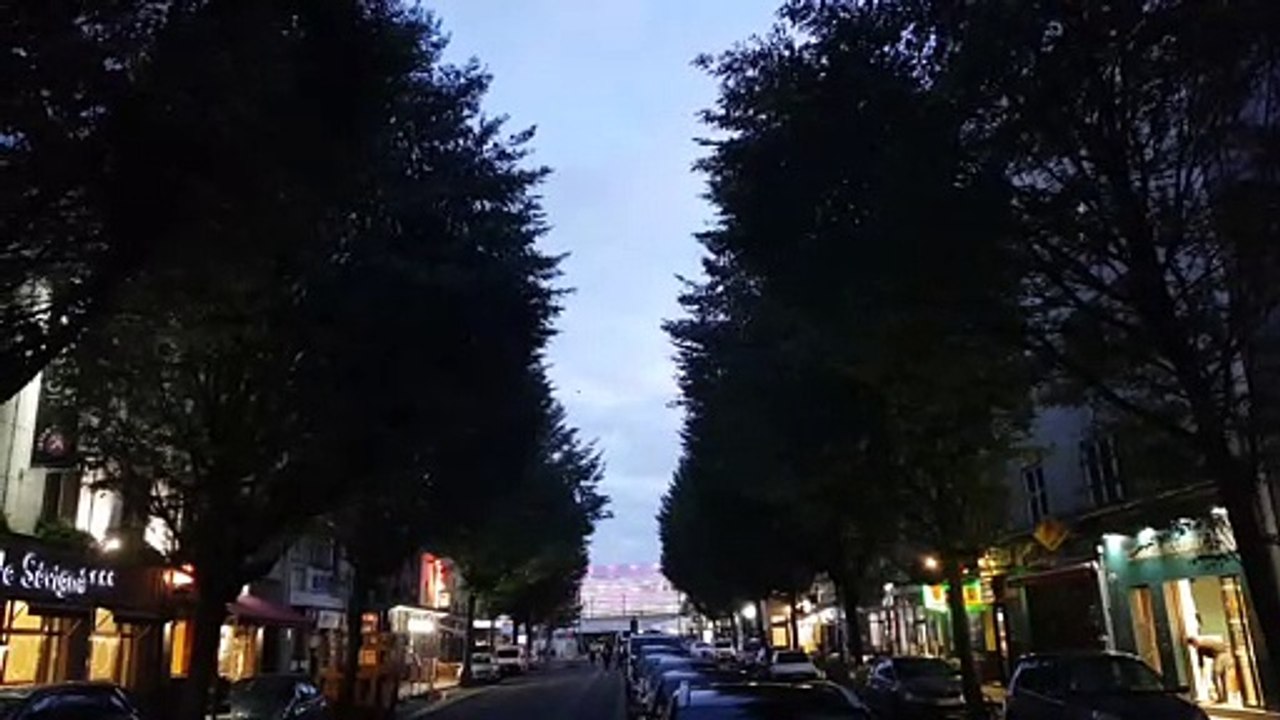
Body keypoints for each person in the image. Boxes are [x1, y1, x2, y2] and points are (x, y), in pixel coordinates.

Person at [1187, 636, 1234, 702]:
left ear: (1193, 643)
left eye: (1192, 645)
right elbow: (1200, 660)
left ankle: (1221, 697)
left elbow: (1201, 660)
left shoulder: (1201, 645)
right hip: (1226, 655)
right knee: (1223, 677)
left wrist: (1202, 669)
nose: (1193, 647)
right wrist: (1201, 668)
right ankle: (1224, 697)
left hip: (1221, 655)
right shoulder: (1202, 644)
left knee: (1215, 676)